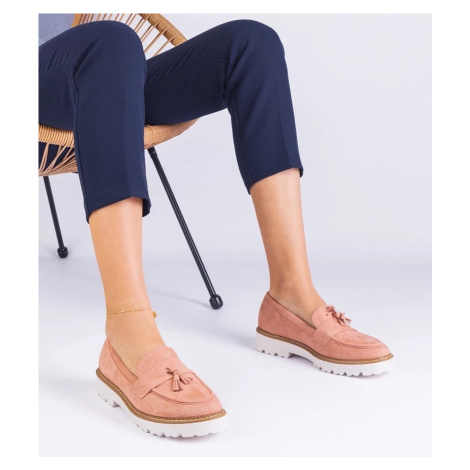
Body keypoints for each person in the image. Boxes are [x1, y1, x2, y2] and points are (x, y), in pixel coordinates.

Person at [39, 14, 394, 438]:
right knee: (111, 42)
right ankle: (126, 332)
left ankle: (292, 298)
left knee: (252, 43)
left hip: (97, 70)